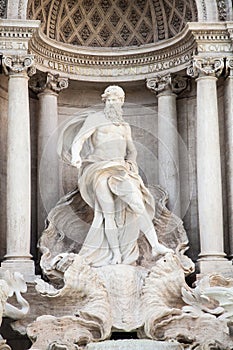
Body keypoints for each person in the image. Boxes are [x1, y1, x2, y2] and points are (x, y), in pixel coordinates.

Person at [67, 85, 172, 266]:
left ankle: (155, 245)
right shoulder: (95, 118)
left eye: (115, 100)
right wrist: (76, 155)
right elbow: (80, 139)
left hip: (120, 169)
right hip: (98, 168)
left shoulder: (124, 126)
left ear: (121, 102)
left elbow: (131, 150)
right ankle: (115, 255)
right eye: (108, 100)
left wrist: (131, 163)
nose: (111, 103)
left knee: (138, 204)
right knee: (107, 214)